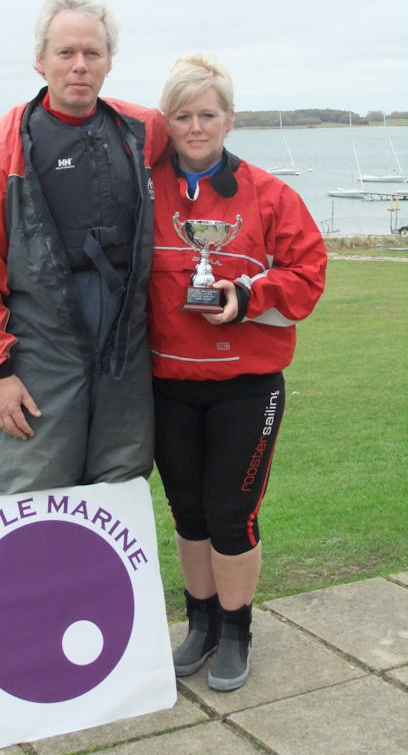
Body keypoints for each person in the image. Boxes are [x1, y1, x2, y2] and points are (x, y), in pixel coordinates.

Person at [148, 53, 327, 691]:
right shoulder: (146, 186)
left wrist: (248, 295)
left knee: (232, 515)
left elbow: (309, 275)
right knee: (187, 514)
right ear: (165, 121)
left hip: (246, 389)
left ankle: (235, 629)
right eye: (183, 115)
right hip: (167, 385)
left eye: (208, 114)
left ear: (230, 119)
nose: (195, 127)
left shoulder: (271, 193)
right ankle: (197, 625)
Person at [0, 0, 167, 496]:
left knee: (120, 489)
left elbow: (204, 148)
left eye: (92, 53)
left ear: (110, 62)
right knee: (32, 494)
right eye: (66, 53)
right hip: (38, 358)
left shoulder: (142, 132)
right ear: (40, 60)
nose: (80, 66)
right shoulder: (0, 148)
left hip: (123, 357)